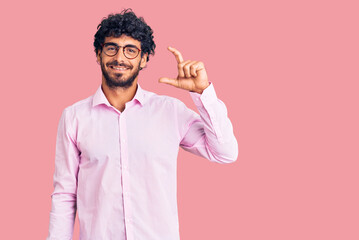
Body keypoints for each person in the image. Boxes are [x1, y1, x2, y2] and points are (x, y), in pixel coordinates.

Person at [46, 8, 238, 240]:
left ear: (144, 58)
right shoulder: (74, 117)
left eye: (130, 50)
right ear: (98, 54)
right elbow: (65, 195)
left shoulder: (170, 111)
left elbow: (225, 153)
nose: (119, 58)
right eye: (111, 48)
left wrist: (202, 93)